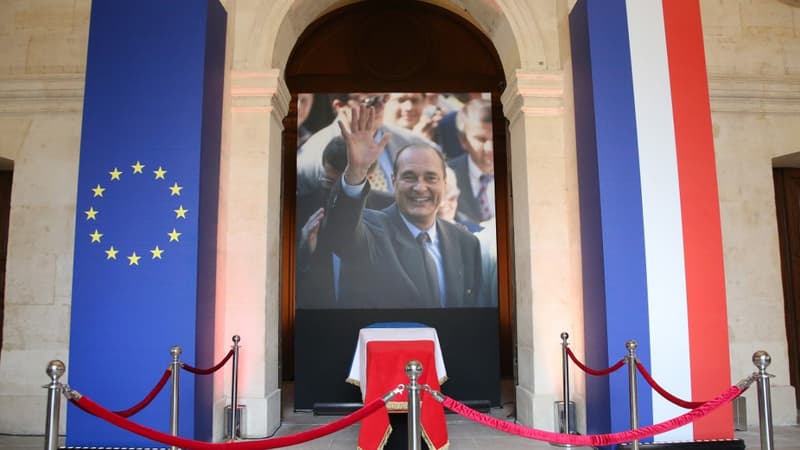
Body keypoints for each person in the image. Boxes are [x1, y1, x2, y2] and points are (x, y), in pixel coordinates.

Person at [320, 104, 484, 308]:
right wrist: (356, 172)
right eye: (409, 177)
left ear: (444, 183)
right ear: (394, 181)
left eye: (431, 178)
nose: (420, 187)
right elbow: (340, 234)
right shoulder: (370, 228)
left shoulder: (466, 243)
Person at [296, 93, 439, 196]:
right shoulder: (312, 154)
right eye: (370, 101)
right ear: (340, 106)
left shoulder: (414, 144)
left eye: (385, 98)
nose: (381, 106)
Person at [447, 98, 495, 224]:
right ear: (463, 140)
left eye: (497, 138)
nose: (490, 148)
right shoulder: (446, 175)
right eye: (481, 139)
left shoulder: (519, 174)